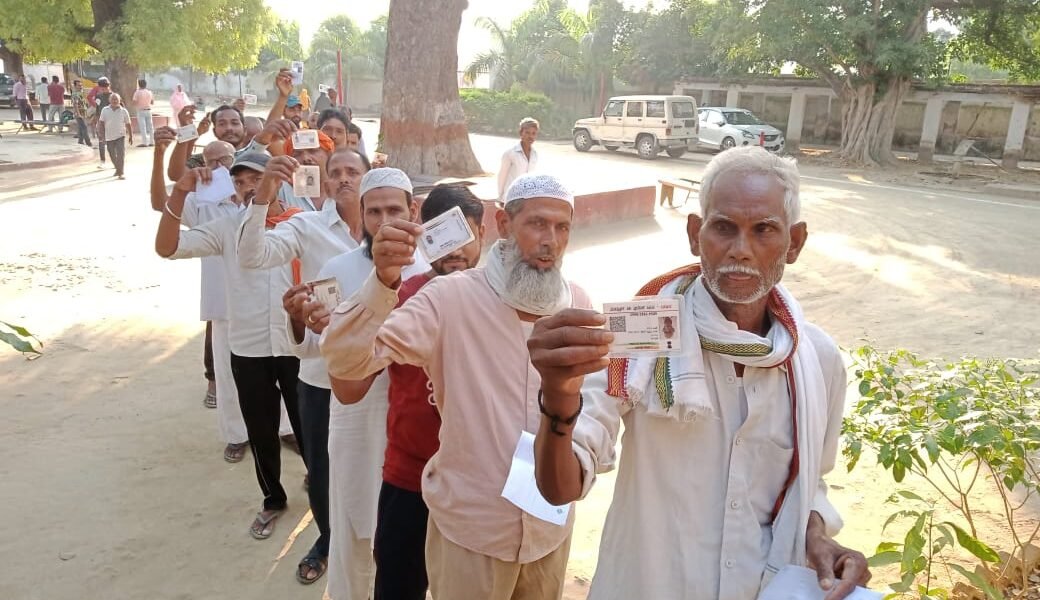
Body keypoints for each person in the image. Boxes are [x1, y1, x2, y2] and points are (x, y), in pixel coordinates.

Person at [527, 146, 871, 600]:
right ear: (695, 234)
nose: (740, 251)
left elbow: (808, 486)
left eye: (764, 230)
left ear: (795, 243)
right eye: (723, 228)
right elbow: (560, 487)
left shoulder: (817, 360)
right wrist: (559, 393)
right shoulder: (639, 339)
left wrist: (818, 537)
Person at [321, 173, 590, 600]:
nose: (550, 241)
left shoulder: (576, 301)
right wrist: (383, 284)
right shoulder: (449, 297)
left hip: (547, 526)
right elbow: (350, 363)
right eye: (538, 224)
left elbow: (592, 401)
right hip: (472, 527)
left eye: (562, 228)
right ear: (503, 224)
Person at [314, 185, 486, 600]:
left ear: (485, 232)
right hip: (410, 478)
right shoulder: (399, 297)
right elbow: (349, 387)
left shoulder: (505, 303)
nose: (455, 250)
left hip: (479, 480)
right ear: (422, 234)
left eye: (466, 233)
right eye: (443, 234)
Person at [289, 168, 430, 600]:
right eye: (374, 212)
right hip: (354, 417)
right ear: (362, 215)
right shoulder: (337, 269)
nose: (385, 222)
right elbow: (316, 348)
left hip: (413, 422)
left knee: (409, 538)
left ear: (413, 211)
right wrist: (300, 320)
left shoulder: (434, 272)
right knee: (351, 526)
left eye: (394, 210)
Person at [155, 152, 307, 541]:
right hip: (249, 346)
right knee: (261, 429)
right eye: (239, 182)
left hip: (296, 345)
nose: (248, 187)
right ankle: (273, 499)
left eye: (256, 178)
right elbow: (167, 248)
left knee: (309, 426)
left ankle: (321, 488)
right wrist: (179, 193)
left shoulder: (303, 223)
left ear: (277, 179)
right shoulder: (226, 228)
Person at [236, 147, 371, 586]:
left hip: (380, 375)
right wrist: (265, 195)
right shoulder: (305, 225)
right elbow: (252, 256)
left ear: (368, 176)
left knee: (381, 461)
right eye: (337, 173)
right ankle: (329, 539)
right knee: (322, 468)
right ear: (325, 182)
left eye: (354, 170)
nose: (345, 178)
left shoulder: (389, 229)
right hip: (320, 375)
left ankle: (373, 539)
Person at [497, 117, 540, 201]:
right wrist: (501, 197)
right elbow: (502, 177)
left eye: (533, 133)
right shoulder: (510, 153)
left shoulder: (534, 154)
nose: (530, 136)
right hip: (511, 198)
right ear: (521, 133)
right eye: (527, 133)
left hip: (527, 198)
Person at [97, 93, 133, 179]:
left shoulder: (124, 111)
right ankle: (118, 169)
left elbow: (128, 124)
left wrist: (131, 136)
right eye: (113, 99)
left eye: (116, 99)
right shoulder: (105, 110)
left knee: (121, 154)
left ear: (119, 100)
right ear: (109, 100)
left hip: (120, 136)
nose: (114, 101)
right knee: (112, 154)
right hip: (109, 136)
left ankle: (121, 173)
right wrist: (101, 135)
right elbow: (101, 123)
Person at [90, 78, 113, 169]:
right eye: (101, 88)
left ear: (108, 86)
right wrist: (95, 119)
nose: (103, 90)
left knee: (112, 142)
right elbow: (97, 109)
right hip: (101, 121)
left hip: (112, 122)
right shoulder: (98, 96)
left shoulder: (114, 96)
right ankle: (102, 161)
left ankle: (115, 160)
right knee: (101, 142)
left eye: (105, 87)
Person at [132, 79, 155, 146]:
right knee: (151, 127)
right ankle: (152, 141)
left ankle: (144, 142)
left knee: (143, 127)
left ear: (139, 85)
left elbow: (134, 102)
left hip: (141, 111)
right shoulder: (149, 92)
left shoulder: (137, 92)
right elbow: (152, 102)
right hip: (148, 110)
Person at [70, 80, 93, 147]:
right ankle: (88, 143)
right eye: (79, 85)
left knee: (80, 127)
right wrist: (78, 114)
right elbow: (75, 104)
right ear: (75, 86)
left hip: (82, 113)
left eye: (81, 85)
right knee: (84, 128)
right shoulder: (75, 94)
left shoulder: (80, 93)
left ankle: (80, 141)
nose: (80, 87)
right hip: (79, 113)